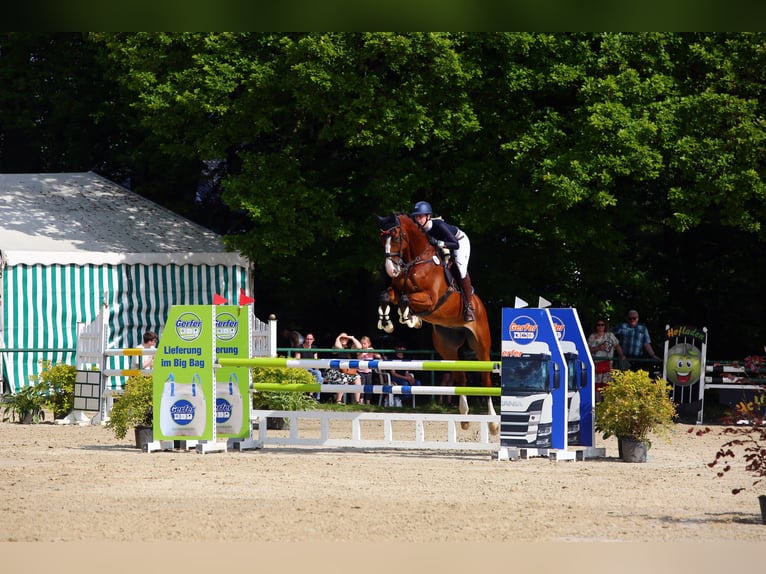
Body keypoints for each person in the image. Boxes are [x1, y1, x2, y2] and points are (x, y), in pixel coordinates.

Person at [410, 200, 476, 322]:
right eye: (416, 217)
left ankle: (469, 306)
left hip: (459, 241)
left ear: (428, 216)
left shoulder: (439, 225)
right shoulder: (419, 230)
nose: (417, 220)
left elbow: (455, 244)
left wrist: (440, 243)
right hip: (442, 247)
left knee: (460, 270)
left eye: (420, 216)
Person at [587, 319, 626, 400]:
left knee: (607, 385)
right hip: (596, 364)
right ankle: (598, 403)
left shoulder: (610, 335)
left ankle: (606, 403)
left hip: (608, 363)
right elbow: (588, 349)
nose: (600, 326)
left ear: (605, 326)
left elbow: (617, 345)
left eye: (602, 325)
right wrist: (598, 348)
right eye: (598, 325)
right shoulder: (592, 336)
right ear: (596, 326)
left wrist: (621, 355)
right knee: (597, 384)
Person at [324, 332, 362, 404]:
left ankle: (357, 401)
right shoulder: (335, 347)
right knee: (343, 378)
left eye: (346, 338)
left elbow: (359, 347)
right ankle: (338, 400)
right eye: (342, 338)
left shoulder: (350, 348)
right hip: (335, 372)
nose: (344, 339)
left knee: (358, 378)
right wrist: (338, 338)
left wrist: (352, 338)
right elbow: (339, 347)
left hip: (348, 372)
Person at [295, 332, 323, 400]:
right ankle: (312, 395)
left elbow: (316, 361)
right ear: (305, 339)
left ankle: (313, 396)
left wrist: (317, 370)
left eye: (310, 339)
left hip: (312, 369)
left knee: (319, 375)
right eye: (307, 339)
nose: (309, 341)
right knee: (314, 375)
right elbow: (297, 360)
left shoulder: (314, 348)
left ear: (313, 340)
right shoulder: (300, 347)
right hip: (303, 368)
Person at [358, 336, 382, 405]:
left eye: (364, 343)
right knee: (361, 386)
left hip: (368, 371)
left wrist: (374, 352)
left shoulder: (371, 350)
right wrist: (363, 352)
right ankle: (361, 400)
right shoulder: (360, 351)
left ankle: (368, 401)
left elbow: (378, 356)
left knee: (369, 386)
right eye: (362, 344)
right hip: (361, 371)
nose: (363, 345)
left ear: (369, 344)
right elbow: (358, 357)